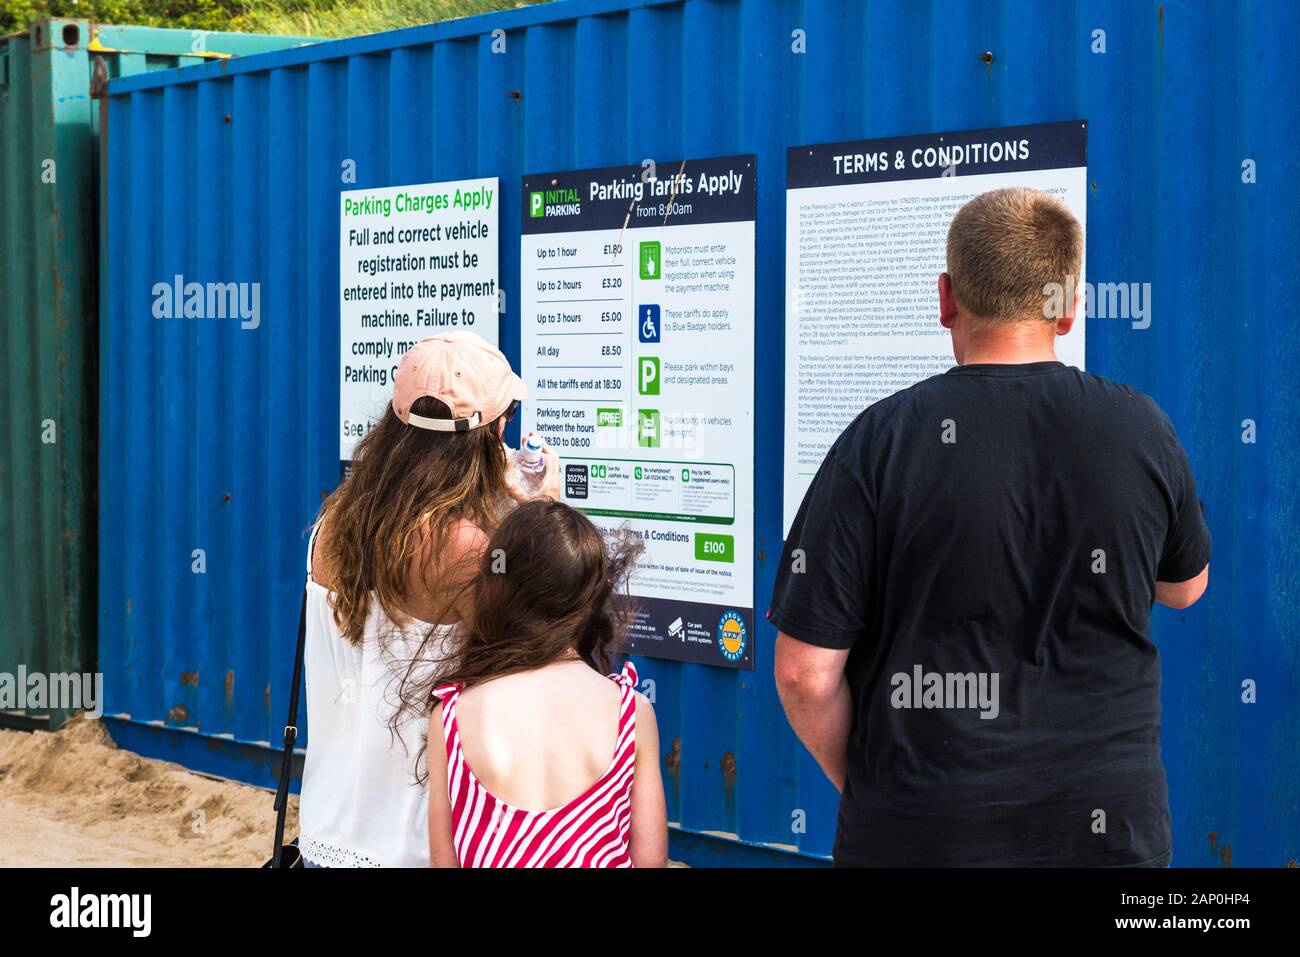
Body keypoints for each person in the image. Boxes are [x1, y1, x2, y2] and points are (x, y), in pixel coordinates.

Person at [770, 187, 1210, 867]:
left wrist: (874, 785)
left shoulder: (879, 442)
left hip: (921, 831)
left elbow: (805, 673)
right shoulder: (1141, 430)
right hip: (1108, 833)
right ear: (1068, 308)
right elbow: (1184, 587)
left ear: (946, 297)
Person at [298, 331, 560, 868]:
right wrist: (542, 514)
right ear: (493, 429)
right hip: (416, 847)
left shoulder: (336, 521)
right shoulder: (464, 548)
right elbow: (539, 660)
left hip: (327, 836)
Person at [424, 499, 667, 868]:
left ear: (499, 590)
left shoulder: (451, 719)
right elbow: (651, 861)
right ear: (592, 598)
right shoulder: (631, 713)